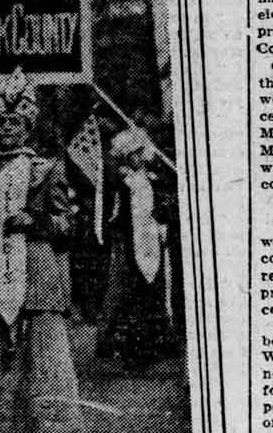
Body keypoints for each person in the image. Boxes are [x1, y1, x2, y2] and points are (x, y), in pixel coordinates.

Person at [0, 70, 81, 433]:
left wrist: (35, 220)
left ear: (28, 126)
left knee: (45, 364)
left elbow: (68, 226)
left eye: (15, 122)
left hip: (39, 279)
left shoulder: (47, 170)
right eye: (0, 123)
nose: (8, 129)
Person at [96, 127, 178, 369]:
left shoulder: (150, 179)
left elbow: (163, 203)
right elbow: (115, 209)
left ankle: (157, 344)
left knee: (153, 291)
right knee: (128, 294)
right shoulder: (123, 181)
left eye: (140, 152)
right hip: (128, 243)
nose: (138, 157)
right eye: (133, 153)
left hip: (152, 240)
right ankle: (128, 348)